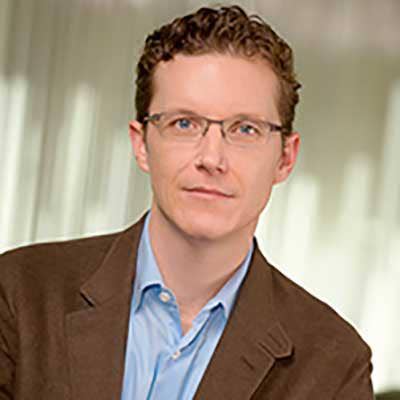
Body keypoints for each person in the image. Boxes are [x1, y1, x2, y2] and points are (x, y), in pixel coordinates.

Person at [0, 5, 374, 400]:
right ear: (141, 144)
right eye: (184, 123)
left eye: (245, 129)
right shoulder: (20, 293)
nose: (211, 158)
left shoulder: (334, 365)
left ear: (285, 158)